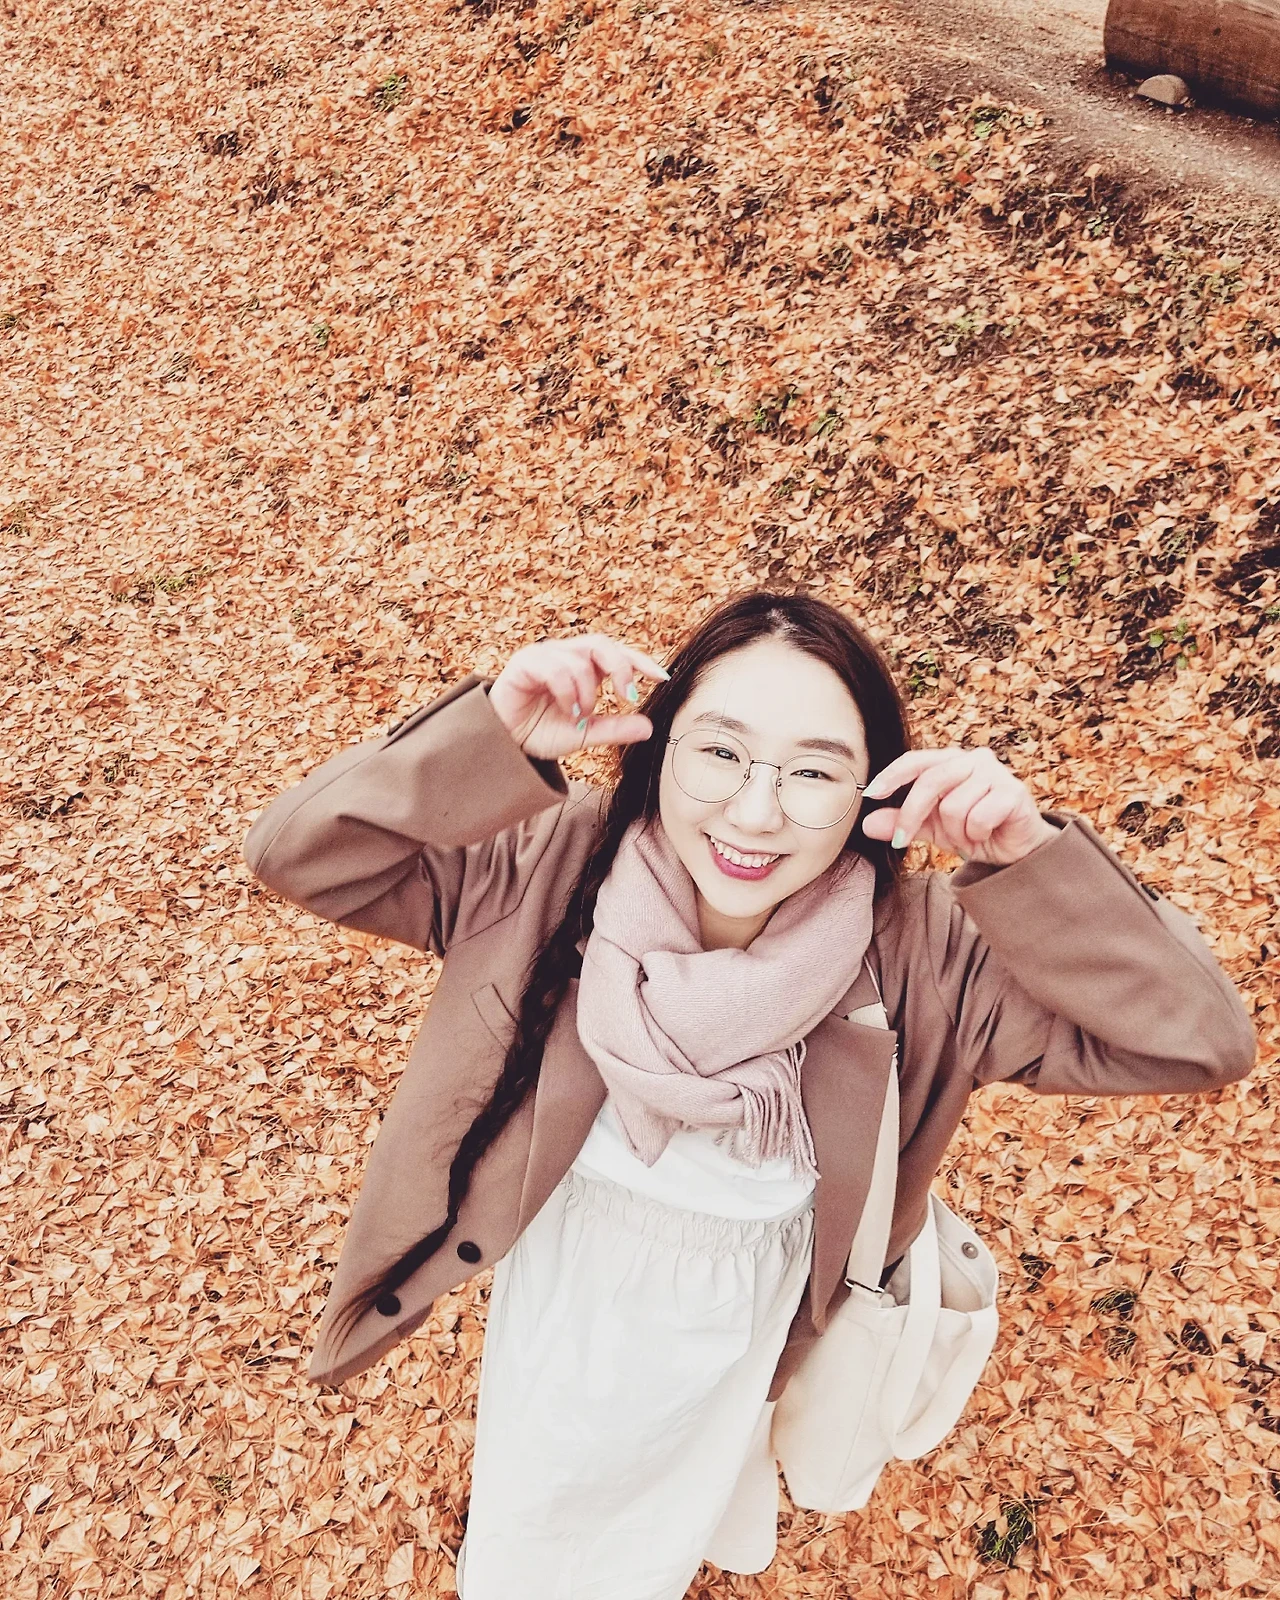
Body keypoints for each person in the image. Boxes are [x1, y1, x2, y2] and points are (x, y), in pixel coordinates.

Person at [243, 589, 1255, 1600]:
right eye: (719, 751)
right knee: (532, 1538)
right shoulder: (552, 867)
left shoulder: (927, 955)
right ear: (656, 749)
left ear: (872, 789)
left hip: (748, 1349)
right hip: (562, 1317)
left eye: (813, 770)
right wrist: (490, 736)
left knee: (662, 1537)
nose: (754, 813)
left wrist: (1031, 857)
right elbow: (300, 856)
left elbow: (1197, 1041)